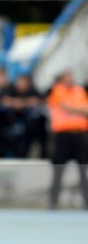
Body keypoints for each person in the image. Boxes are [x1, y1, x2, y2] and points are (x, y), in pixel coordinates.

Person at [46, 71, 88, 209]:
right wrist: (80, 110)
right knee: (59, 169)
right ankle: (53, 202)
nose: (71, 79)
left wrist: (75, 109)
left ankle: (86, 202)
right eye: (67, 77)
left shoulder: (80, 90)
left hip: (80, 134)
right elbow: (64, 107)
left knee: (83, 169)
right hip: (62, 135)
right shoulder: (57, 90)